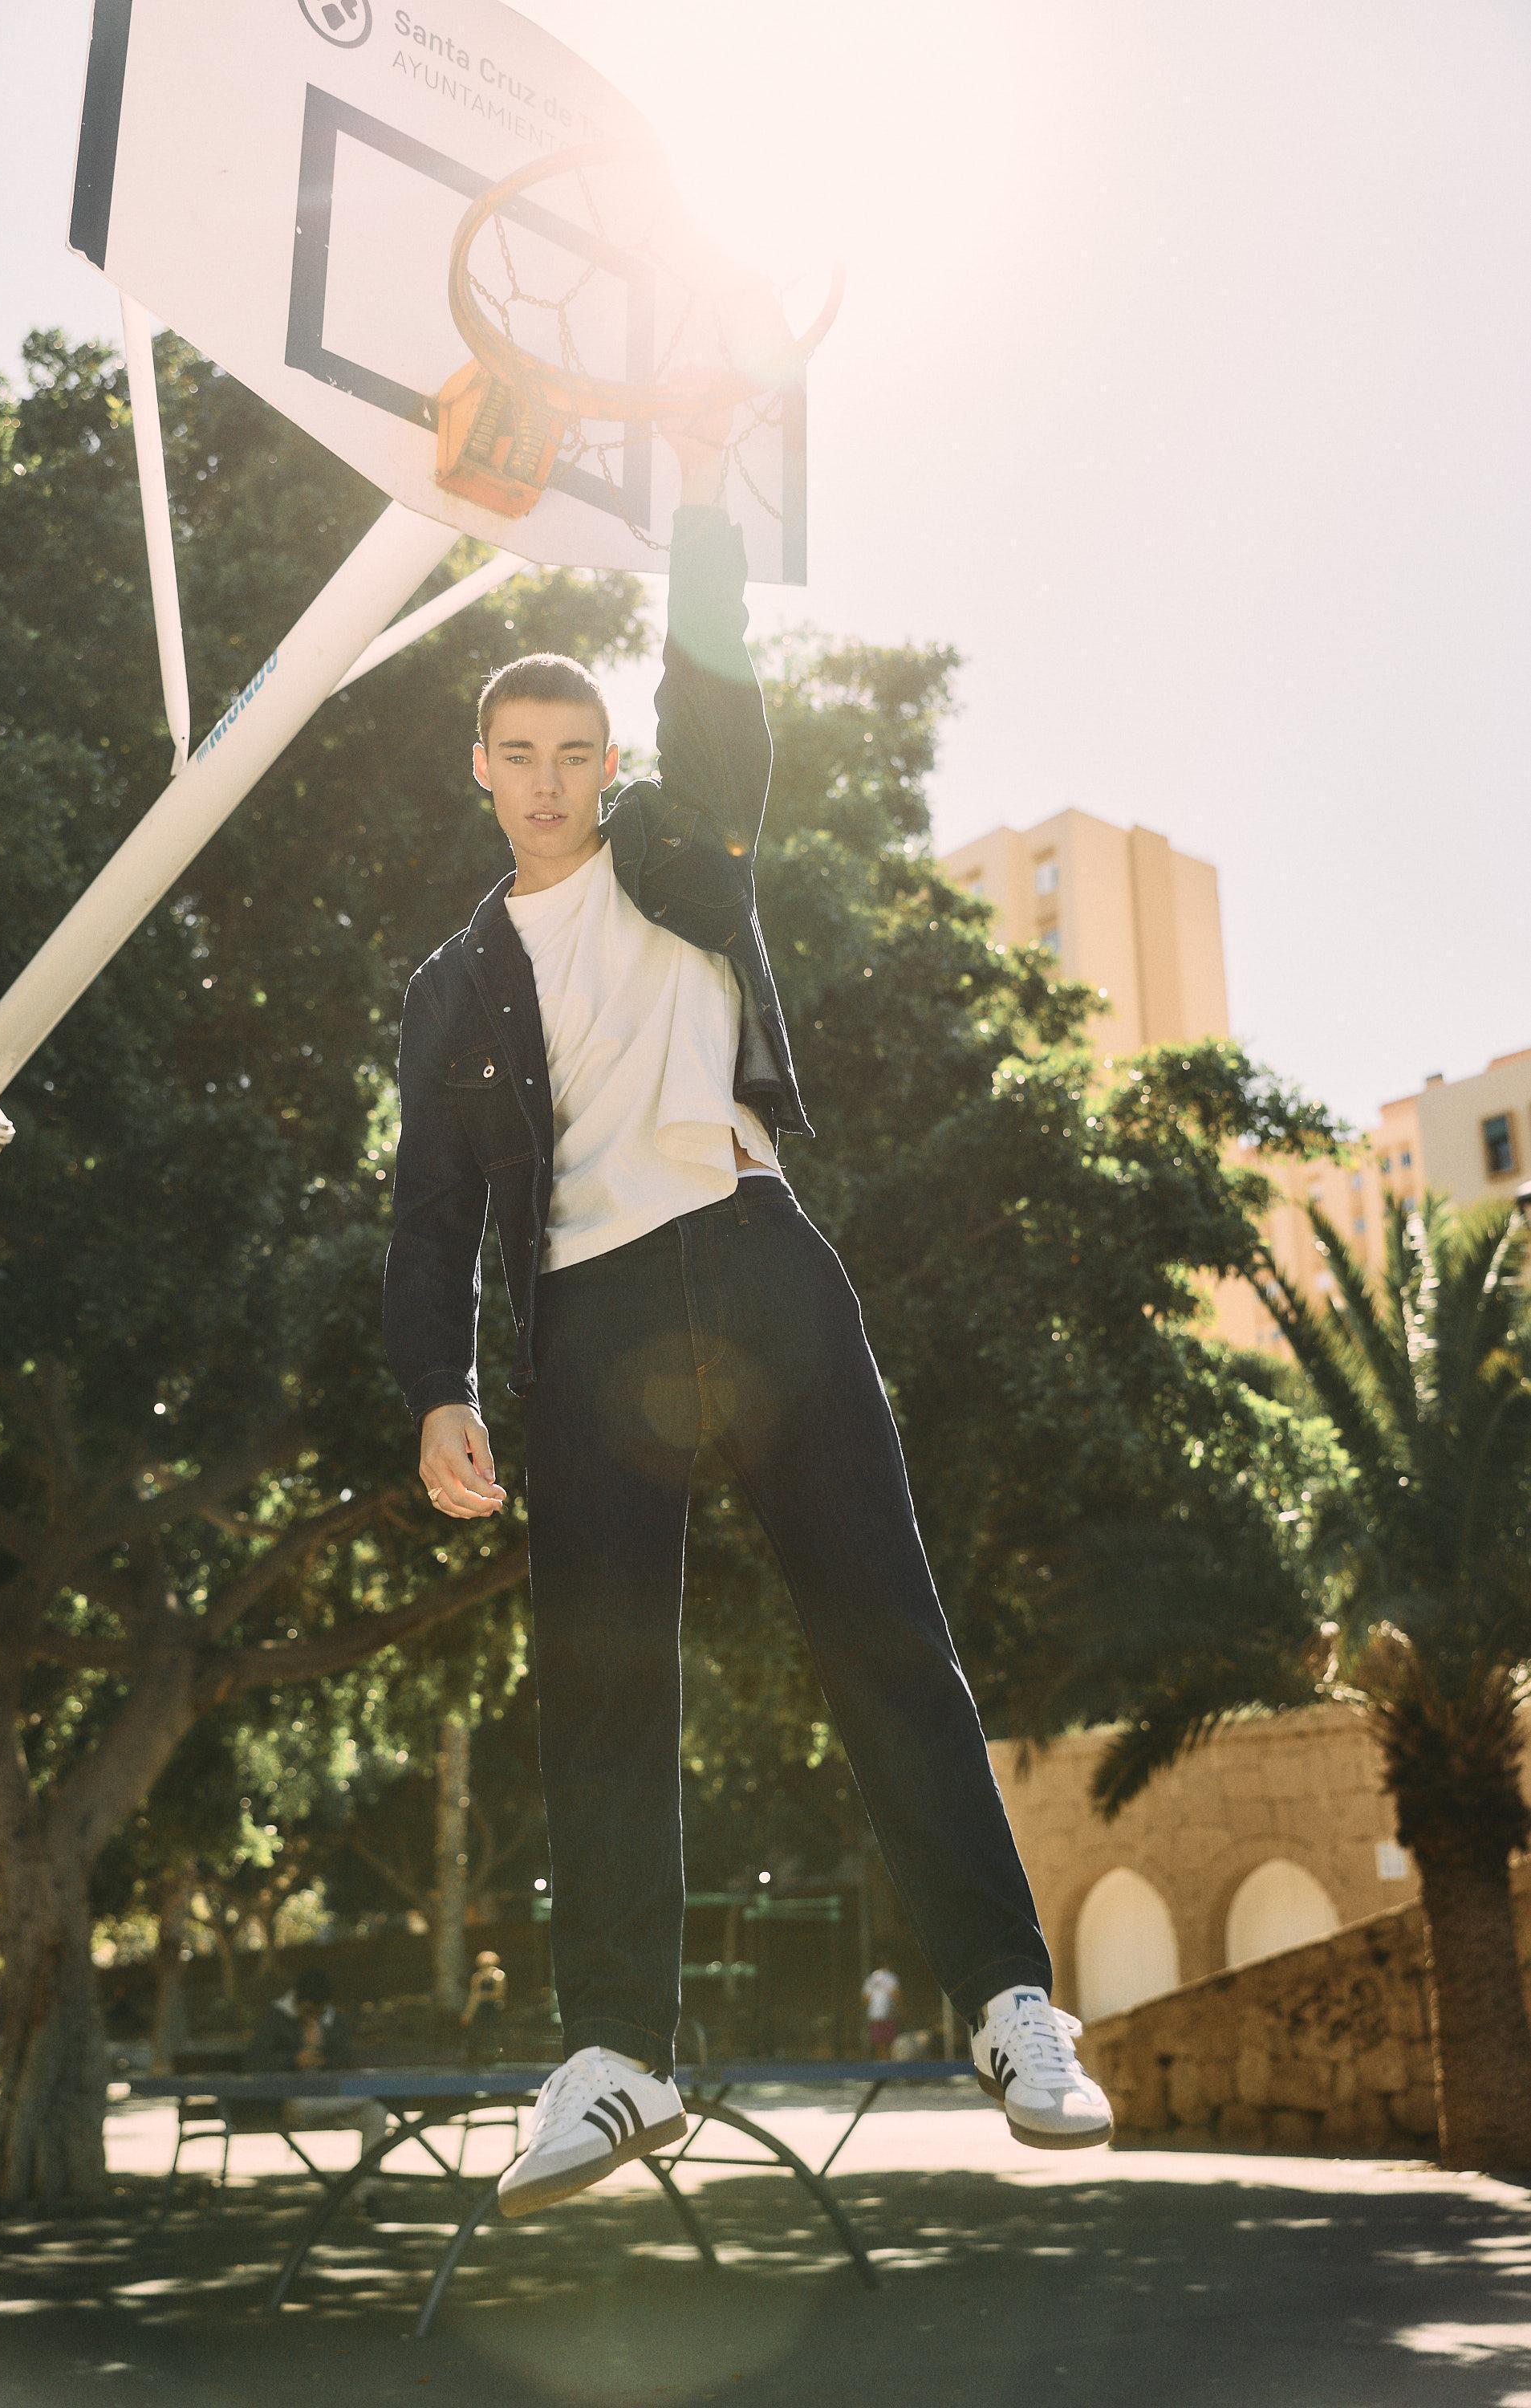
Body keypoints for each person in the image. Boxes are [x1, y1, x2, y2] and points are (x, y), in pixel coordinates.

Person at [382, 394, 1112, 2220]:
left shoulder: (677, 842)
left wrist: (701, 497)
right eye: (514, 754)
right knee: (601, 1695)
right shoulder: (451, 983)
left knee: (883, 1630)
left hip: (754, 1257)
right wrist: (433, 1386)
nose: (545, 778)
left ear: (607, 756)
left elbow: (718, 692)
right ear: (475, 768)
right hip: (582, 1324)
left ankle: (1008, 1996)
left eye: (574, 749)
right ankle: (617, 2054)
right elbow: (427, 1213)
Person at [243, 1963, 388, 2197]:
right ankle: (375, 2091)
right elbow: (254, 2063)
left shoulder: (332, 2020)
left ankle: (366, 2192)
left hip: (334, 2101)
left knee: (376, 2113)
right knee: (303, 2104)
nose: (313, 2015)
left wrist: (322, 2054)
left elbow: (347, 2062)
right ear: (298, 2002)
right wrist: (294, 2061)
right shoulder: (275, 2017)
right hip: (294, 2104)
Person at [461, 1948, 507, 2060]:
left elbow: (499, 1994)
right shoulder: (477, 1977)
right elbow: (473, 1996)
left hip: (493, 2008)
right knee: (477, 2031)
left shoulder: (498, 1975)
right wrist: (468, 2013)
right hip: (481, 2008)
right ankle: (476, 2054)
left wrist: (482, 1996)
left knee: (492, 2032)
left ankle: (492, 2054)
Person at [862, 1964, 903, 2060]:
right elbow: (896, 1993)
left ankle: (882, 2064)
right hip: (888, 2013)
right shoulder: (891, 1976)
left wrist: (873, 2005)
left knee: (879, 2042)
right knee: (891, 2041)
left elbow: (865, 1996)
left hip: (874, 2014)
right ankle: (889, 2064)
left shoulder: (872, 1977)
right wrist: (901, 2008)